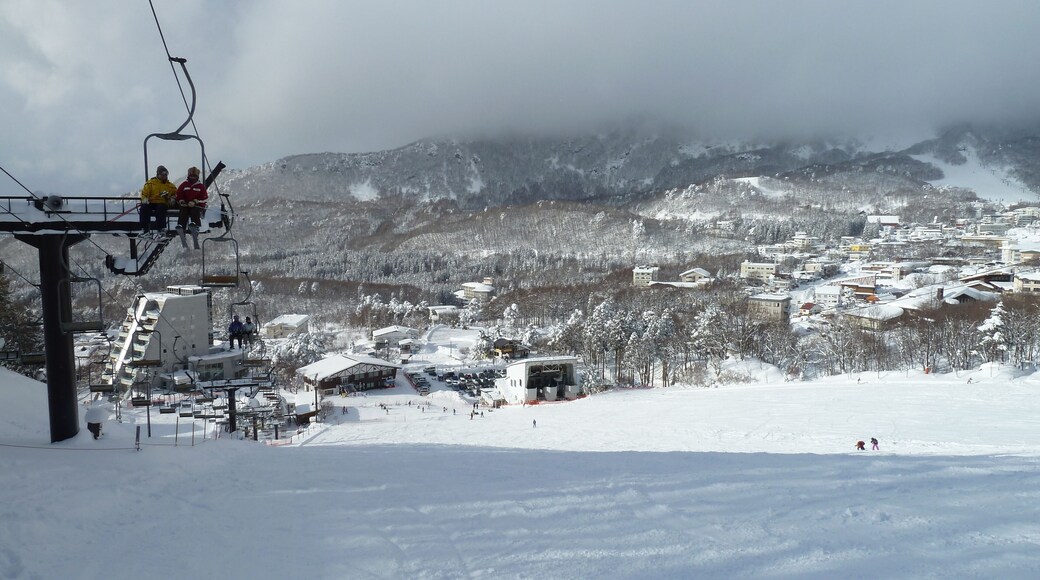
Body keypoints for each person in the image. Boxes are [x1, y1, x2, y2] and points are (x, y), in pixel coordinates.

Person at [175, 166, 208, 249]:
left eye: (194, 176)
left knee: (195, 211)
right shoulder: (184, 185)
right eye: (191, 176)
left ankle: (195, 227)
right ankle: (181, 227)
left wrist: (195, 201)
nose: (193, 177)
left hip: (196, 205)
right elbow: (178, 194)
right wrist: (181, 201)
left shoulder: (200, 186)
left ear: (197, 176)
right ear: (188, 176)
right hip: (185, 205)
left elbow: (204, 198)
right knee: (183, 211)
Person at [140, 165, 177, 239]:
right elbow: (144, 194)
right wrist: (145, 200)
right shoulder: (150, 183)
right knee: (144, 208)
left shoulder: (170, 186)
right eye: (162, 174)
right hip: (150, 203)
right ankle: (145, 230)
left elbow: (176, 194)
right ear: (158, 174)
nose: (164, 176)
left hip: (162, 203)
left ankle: (161, 230)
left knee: (161, 208)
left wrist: (172, 199)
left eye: (166, 174)